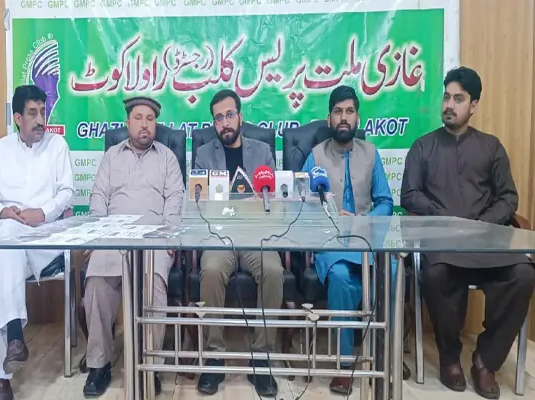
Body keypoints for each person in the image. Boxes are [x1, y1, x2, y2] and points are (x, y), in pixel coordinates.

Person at [401, 66, 535, 399]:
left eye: (458, 99)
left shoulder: (491, 147)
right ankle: (449, 358)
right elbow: (409, 195)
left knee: (523, 274)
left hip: (487, 244)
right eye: (446, 97)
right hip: (444, 246)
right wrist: (444, 219)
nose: (449, 104)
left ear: (473, 105)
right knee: (435, 273)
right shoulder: (423, 147)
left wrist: (481, 224)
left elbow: (508, 198)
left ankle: (486, 360)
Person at [0, 85, 75, 400]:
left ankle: (1, 372)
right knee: (6, 241)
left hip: (44, 237)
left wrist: (41, 213)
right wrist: (2, 211)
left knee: (2, 263)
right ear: (17, 118)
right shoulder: (0, 150)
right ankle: (12, 342)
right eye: (32, 113)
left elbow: (67, 193)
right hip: (7, 231)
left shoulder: (57, 146)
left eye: (43, 112)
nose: (40, 119)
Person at [82, 96, 184, 397]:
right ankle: (99, 364)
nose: (144, 125)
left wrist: (169, 235)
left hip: (154, 236)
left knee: (153, 285)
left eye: (150, 119)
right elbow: (98, 198)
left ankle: (150, 364)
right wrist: (97, 235)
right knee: (96, 282)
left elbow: (175, 200)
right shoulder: (112, 156)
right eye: (138, 118)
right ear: (128, 123)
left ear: (156, 125)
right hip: (113, 236)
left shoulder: (167, 158)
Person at [302, 85, 395, 395]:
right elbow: (302, 204)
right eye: (338, 112)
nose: (344, 117)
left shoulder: (371, 154)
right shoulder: (315, 156)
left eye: (350, 111)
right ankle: (344, 364)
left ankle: (385, 353)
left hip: (367, 241)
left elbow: (385, 202)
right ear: (329, 118)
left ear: (358, 118)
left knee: (393, 272)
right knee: (343, 278)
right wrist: (331, 215)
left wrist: (362, 221)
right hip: (330, 243)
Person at [192, 89, 283, 397]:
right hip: (220, 235)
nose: (225, 123)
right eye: (218, 118)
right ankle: (214, 357)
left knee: (274, 270)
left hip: (256, 234)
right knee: (211, 269)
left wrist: (265, 202)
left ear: (241, 116)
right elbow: (197, 203)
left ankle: (261, 358)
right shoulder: (204, 154)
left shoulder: (262, 151)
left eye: (230, 115)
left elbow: (276, 201)